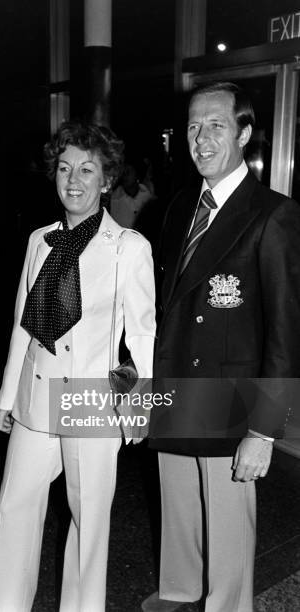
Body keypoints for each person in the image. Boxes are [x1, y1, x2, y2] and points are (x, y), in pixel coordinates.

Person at [0, 121, 156, 612]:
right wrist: (6, 397)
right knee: (12, 507)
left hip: (90, 399)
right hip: (36, 394)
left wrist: (136, 405)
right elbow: (24, 323)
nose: (73, 179)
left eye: (87, 169)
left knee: (88, 524)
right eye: (64, 168)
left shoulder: (128, 247)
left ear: (106, 180)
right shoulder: (41, 240)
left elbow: (141, 334)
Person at [144, 82, 300, 612]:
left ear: (245, 133)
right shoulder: (182, 205)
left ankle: (228, 604)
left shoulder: (273, 213)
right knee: (178, 501)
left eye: (216, 125)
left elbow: (285, 331)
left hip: (231, 394)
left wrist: (264, 428)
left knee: (229, 518)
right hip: (174, 383)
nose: (201, 138)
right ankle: (180, 587)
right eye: (193, 126)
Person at [110, 160, 155, 228]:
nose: (124, 176)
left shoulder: (148, 198)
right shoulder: (114, 199)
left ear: (137, 174)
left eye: (128, 172)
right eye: (123, 173)